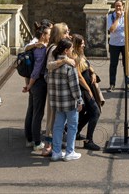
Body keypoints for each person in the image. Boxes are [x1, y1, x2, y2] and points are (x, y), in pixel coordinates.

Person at [47, 38, 84, 161]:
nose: (73, 50)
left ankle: (56, 152)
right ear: (67, 50)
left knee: (58, 126)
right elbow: (74, 86)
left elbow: (48, 80)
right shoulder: (69, 66)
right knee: (72, 126)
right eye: (71, 48)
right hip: (69, 102)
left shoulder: (52, 65)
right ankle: (70, 152)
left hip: (56, 101)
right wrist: (79, 100)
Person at [41, 22, 73, 156]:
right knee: (52, 116)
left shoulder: (58, 47)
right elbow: (49, 65)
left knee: (57, 116)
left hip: (57, 87)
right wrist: (64, 60)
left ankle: (55, 143)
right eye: (65, 32)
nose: (68, 35)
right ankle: (48, 144)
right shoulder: (53, 48)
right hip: (54, 88)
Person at [23, 25, 51, 154]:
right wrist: (30, 84)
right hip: (38, 83)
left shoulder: (36, 46)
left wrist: (29, 83)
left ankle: (29, 139)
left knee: (32, 110)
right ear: (43, 35)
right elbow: (36, 70)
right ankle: (37, 142)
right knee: (38, 114)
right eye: (48, 34)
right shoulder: (41, 49)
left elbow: (25, 49)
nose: (50, 36)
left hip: (33, 83)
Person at [72, 34, 102, 151]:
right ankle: (89, 140)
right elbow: (79, 76)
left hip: (88, 86)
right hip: (83, 88)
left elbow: (88, 65)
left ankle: (76, 131)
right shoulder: (74, 57)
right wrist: (88, 90)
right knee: (95, 112)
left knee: (87, 111)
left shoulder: (81, 54)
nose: (84, 45)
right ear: (77, 44)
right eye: (82, 43)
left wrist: (93, 73)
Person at [107, 0, 129, 91]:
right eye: (116, 6)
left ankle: (127, 83)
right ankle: (112, 84)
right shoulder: (110, 17)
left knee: (126, 63)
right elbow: (111, 29)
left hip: (126, 43)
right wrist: (118, 18)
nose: (118, 7)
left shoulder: (127, 15)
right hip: (114, 44)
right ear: (114, 7)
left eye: (120, 6)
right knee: (113, 64)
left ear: (123, 7)